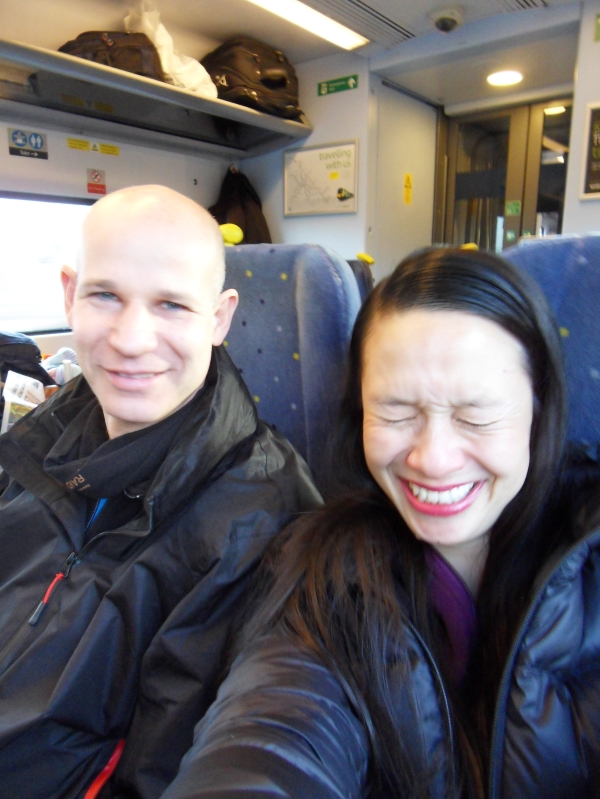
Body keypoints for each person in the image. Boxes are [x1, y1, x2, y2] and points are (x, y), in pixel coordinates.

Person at [161, 247, 600, 799]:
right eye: (395, 412)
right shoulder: (323, 574)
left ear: (538, 409)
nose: (433, 459)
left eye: (476, 415)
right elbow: (270, 732)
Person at [0, 185, 321, 799]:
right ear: (69, 295)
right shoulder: (38, 439)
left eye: (171, 304)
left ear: (219, 319)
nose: (131, 339)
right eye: (105, 296)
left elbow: (159, 769)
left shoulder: (256, 518)